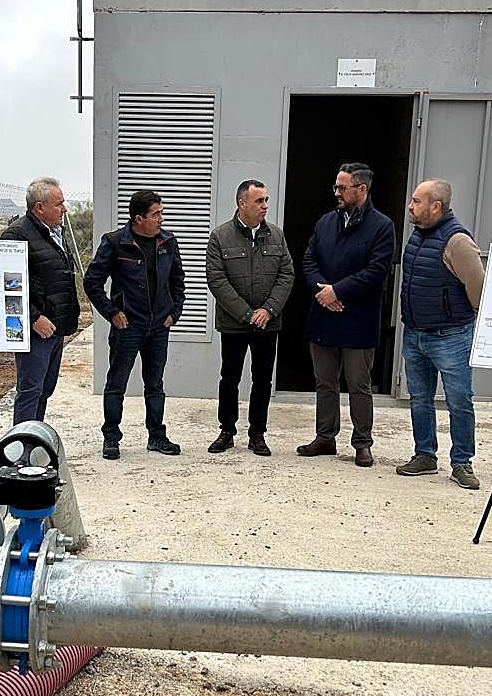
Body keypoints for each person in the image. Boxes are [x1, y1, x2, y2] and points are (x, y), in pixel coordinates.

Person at [297, 163, 395, 468]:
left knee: (358, 384)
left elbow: (376, 272)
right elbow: (309, 259)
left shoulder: (382, 226)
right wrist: (323, 293)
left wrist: (337, 292)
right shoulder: (326, 222)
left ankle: (362, 443)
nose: (337, 193)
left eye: (343, 188)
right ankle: (325, 437)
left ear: (361, 190)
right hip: (324, 315)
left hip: (358, 319)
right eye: (336, 187)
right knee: (325, 383)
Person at [396, 178, 486, 490]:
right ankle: (425, 455)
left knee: (459, 400)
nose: (410, 206)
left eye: (417, 201)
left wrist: (466, 321)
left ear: (436, 207)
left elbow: (477, 286)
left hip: (450, 336)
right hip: (415, 334)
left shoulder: (457, 240)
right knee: (420, 398)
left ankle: (462, 462)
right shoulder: (418, 235)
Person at [83, 190, 186, 460]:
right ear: (139, 218)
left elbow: (178, 281)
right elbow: (91, 282)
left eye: (161, 213)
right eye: (156, 214)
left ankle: (157, 437)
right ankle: (111, 437)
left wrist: (174, 313)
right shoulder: (116, 242)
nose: (161, 219)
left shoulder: (168, 241)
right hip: (128, 327)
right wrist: (112, 313)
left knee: (155, 384)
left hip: (159, 328)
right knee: (117, 383)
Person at [205, 179, 294, 456]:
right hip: (234, 324)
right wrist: (247, 314)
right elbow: (217, 280)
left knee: (262, 380)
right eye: (259, 201)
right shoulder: (220, 237)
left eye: (266, 200)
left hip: (268, 324)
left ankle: (258, 433)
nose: (265, 205)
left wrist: (268, 310)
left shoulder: (277, 236)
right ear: (242, 203)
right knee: (229, 378)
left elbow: (286, 274)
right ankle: (227, 431)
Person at [0, 177, 80, 425]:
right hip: (36, 331)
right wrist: (34, 318)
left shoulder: (54, 232)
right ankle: (20, 450)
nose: (64, 209)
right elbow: (7, 285)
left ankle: (34, 440)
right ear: (39, 207)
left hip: (56, 328)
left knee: (45, 389)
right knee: (30, 391)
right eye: (59, 204)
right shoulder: (16, 236)